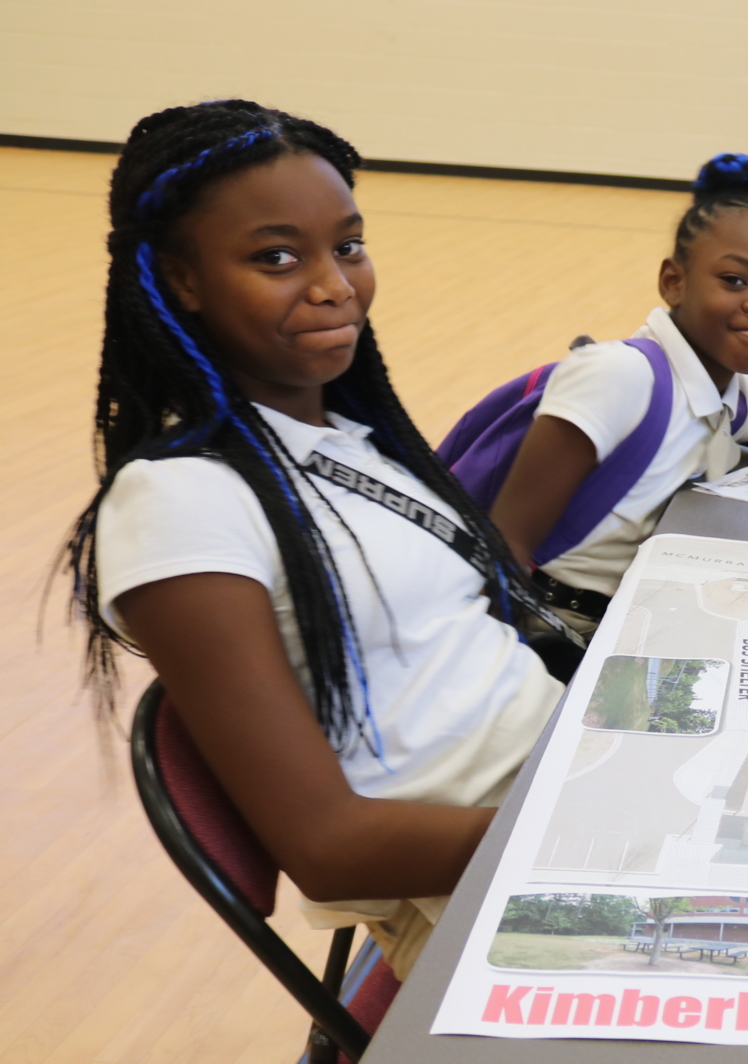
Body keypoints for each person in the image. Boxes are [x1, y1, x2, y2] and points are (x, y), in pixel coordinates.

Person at [68, 101, 564, 979]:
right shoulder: (178, 502)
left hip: (560, 792)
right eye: (277, 257)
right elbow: (331, 849)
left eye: (349, 245)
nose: (335, 285)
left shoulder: (345, 438)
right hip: (490, 888)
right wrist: (588, 829)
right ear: (181, 280)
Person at [490, 155, 748, 631]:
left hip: (633, 618)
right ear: (674, 282)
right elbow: (503, 547)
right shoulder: (619, 376)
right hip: (553, 624)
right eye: (734, 280)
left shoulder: (731, 393)